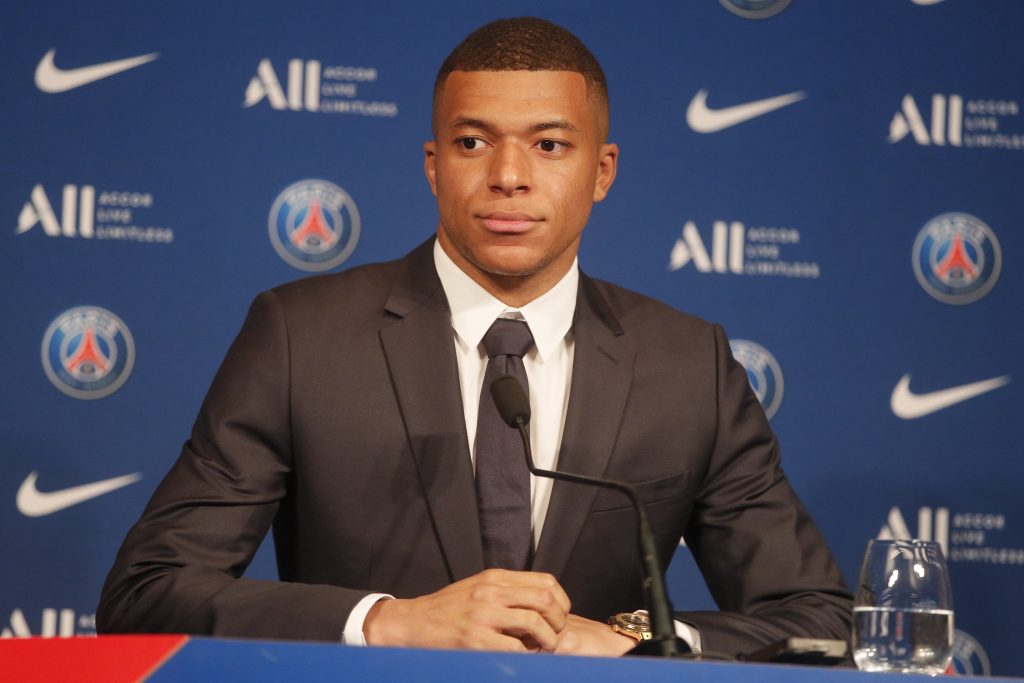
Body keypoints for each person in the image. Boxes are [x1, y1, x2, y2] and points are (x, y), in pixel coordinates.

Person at [97, 17, 851, 657]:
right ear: (433, 165)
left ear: (603, 170)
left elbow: (822, 623)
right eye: (472, 142)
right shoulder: (302, 337)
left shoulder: (687, 365)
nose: (509, 176)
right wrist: (389, 620)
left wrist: (638, 638)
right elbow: (145, 593)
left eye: (550, 145)